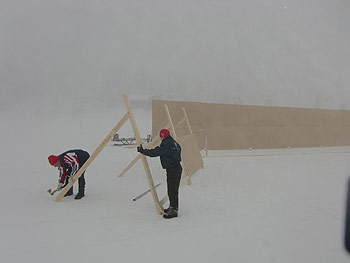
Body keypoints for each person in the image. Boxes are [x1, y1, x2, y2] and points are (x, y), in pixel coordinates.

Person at [137, 129, 182, 219]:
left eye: (161, 136)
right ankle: (173, 207)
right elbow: (178, 150)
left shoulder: (167, 143)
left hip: (173, 169)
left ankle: (173, 210)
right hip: (176, 167)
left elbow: (156, 152)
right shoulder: (173, 142)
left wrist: (143, 151)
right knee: (173, 188)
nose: (160, 138)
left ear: (162, 136)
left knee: (172, 189)